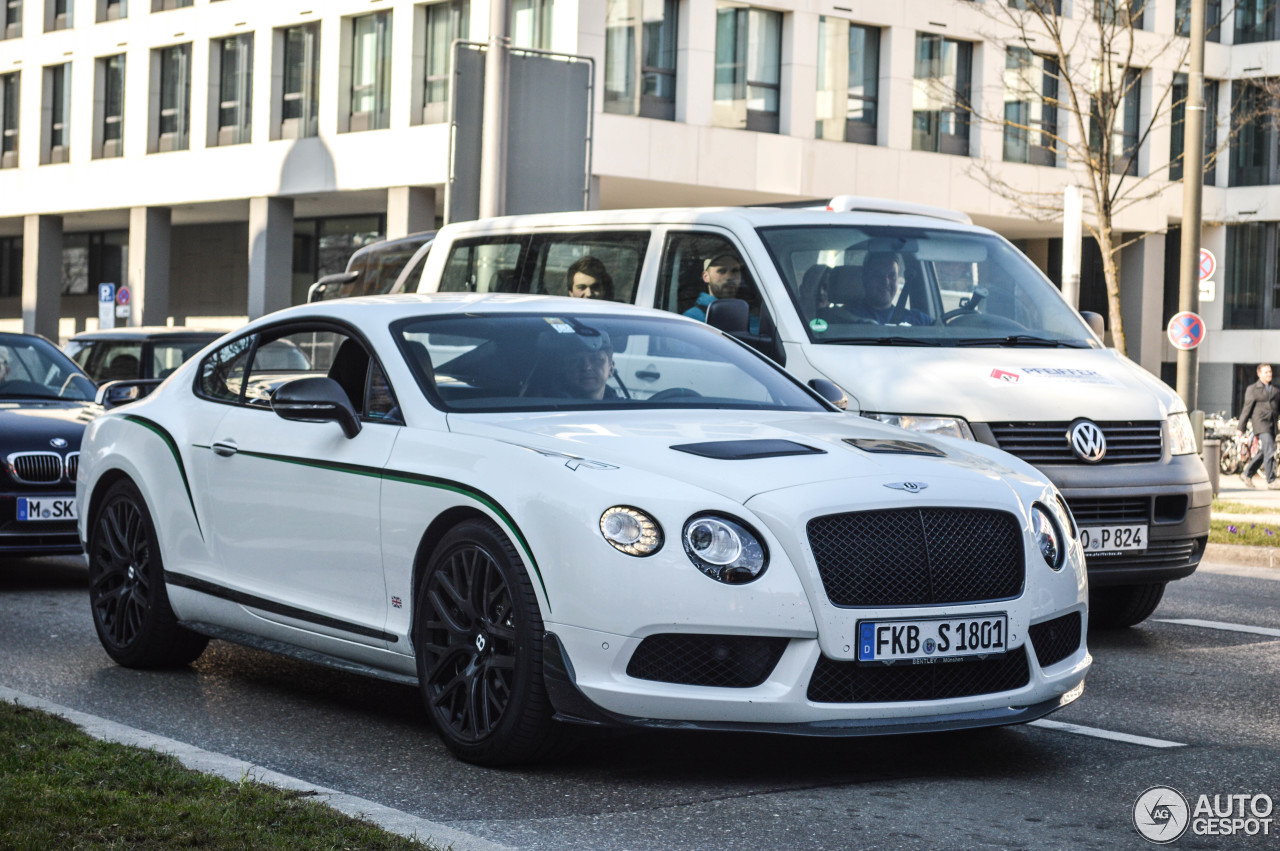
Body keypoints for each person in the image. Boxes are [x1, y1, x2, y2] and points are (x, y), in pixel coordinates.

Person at [848, 253, 935, 326]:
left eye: (892, 275)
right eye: (878, 275)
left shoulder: (919, 320)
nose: (886, 282)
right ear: (865, 278)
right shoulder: (843, 319)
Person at [1238, 363, 1280, 488]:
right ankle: (1271, 480)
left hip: (1272, 425)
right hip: (1261, 424)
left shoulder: (1275, 390)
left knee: (1265, 452)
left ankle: (1247, 474)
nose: (1269, 374)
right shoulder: (1252, 389)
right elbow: (1246, 409)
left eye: (1270, 372)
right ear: (1259, 374)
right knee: (1270, 451)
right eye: (1266, 372)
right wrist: (1241, 428)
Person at [684, 252, 744, 321]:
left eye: (735, 271)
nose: (729, 277)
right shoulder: (691, 319)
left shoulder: (751, 317)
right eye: (721, 271)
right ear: (706, 276)